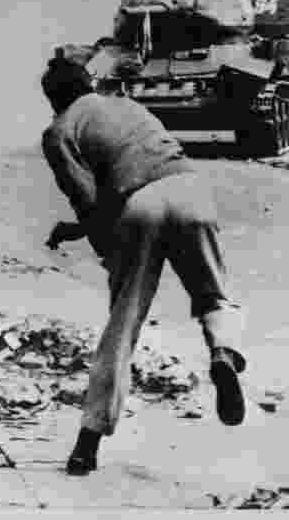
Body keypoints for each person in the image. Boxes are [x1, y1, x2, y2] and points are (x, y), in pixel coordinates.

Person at [41, 56, 247, 476]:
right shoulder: (127, 104)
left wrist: (106, 251)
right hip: (189, 187)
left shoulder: (60, 131)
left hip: (139, 206)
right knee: (213, 295)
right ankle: (223, 353)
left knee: (124, 321)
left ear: (53, 100)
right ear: (89, 84)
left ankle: (87, 443)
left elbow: (90, 201)